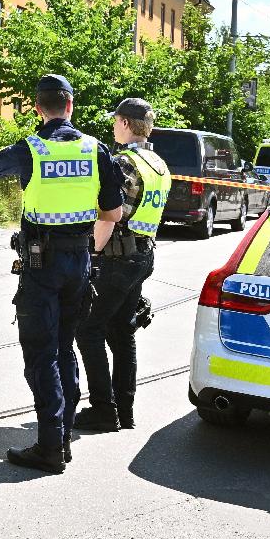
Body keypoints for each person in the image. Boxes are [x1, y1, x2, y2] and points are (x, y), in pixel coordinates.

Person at [0, 75, 121, 473]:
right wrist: (86, 248)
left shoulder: (31, 148)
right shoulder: (96, 149)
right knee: (64, 347)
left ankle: (49, 446)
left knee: (40, 352)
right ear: (71, 106)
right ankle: (62, 438)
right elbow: (112, 213)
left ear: (38, 108)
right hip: (79, 262)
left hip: (41, 265)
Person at [74, 98, 170, 434]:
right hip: (143, 255)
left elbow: (110, 216)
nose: (114, 126)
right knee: (121, 333)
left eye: (116, 121)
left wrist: (91, 253)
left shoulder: (123, 164)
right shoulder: (158, 164)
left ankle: (103, 409)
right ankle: (123, 410)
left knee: (87, 330)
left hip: (118, 258)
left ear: (126, 124)